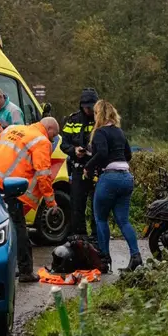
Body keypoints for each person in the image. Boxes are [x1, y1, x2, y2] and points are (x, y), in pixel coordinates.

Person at [0, 117, 61, 282]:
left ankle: (3, 267)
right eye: (53, 136)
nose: (52, 140)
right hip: (11, 188)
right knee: (19, 230)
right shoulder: (41, 141)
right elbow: (43, 175)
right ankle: (25, 271)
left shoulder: (11, 129)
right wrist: (51, 202)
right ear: (49, 129)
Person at [83, 100, 141, 273]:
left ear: (99, 114)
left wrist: (88, 167)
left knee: (100, 218)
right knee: (123, 221)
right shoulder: (119, 132)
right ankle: (136, 256)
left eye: (95, 113)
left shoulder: (100, 132)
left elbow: (102, 153)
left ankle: (104, 259)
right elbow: (128, 155)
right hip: (126, 177)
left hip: (109, 178)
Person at [60, 88, 99, 240]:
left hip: (97, 169)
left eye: (91, 106)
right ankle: (80, 236)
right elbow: (64, 144)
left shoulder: (101, 120)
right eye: (86, 106)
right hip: (78, 167)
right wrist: (74, 150)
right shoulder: (73, 120)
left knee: (97, 205)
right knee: (77, 204)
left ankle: (97, 236)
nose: (88, 109)